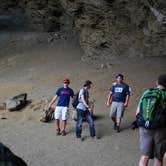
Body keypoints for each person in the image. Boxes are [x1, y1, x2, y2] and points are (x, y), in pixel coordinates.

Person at [136, 74, 166, 166]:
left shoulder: (147, 92)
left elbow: (137, 112)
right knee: (158, 157)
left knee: (144, 156)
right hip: (161, 129)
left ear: (156, 83)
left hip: (144, 127)